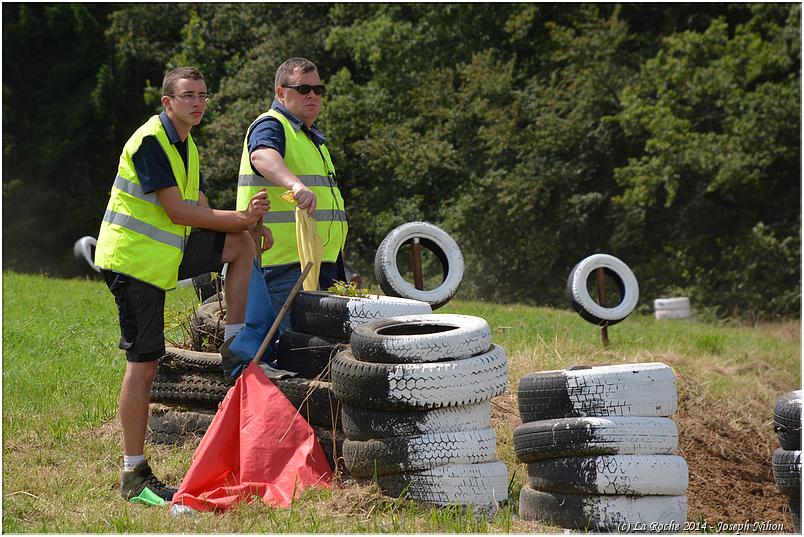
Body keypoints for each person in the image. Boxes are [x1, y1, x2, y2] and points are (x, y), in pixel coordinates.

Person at [94, 66, 273, 502]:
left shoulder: (187, 145)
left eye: (203, 96)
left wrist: (246, 228)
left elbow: (204, 209)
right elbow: (177, 212)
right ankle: (133, 475)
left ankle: (233, 343)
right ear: (167, 102)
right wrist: (241, 218)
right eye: (188, 95)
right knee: (145, 364)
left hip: (162, 259)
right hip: (133, 265)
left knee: (239, 245)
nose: (198, 102)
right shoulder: (151, 142)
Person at [236, 57, 348, 333]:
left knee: (314, 351)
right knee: (290, 351)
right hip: (284, 265)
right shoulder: (271, 124)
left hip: (317, 263)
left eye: (318, 90)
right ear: (280, 93)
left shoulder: (312, 139)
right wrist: (295, 185)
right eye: (302, 89)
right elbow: (262, 155)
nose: (312, 95)